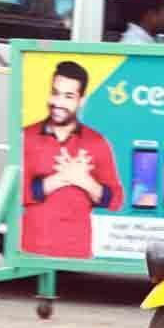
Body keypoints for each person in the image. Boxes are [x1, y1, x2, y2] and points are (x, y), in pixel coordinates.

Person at [22, 61, 124, 258]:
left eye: (68, 96)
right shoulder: (26, 136)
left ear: (82, 100)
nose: (58, 102)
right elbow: (15, 193)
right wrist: (61, 178)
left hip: (77, 251)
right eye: (55, 92)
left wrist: (84, 180)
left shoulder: (97, 142)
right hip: (31, 249)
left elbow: (115, 200)